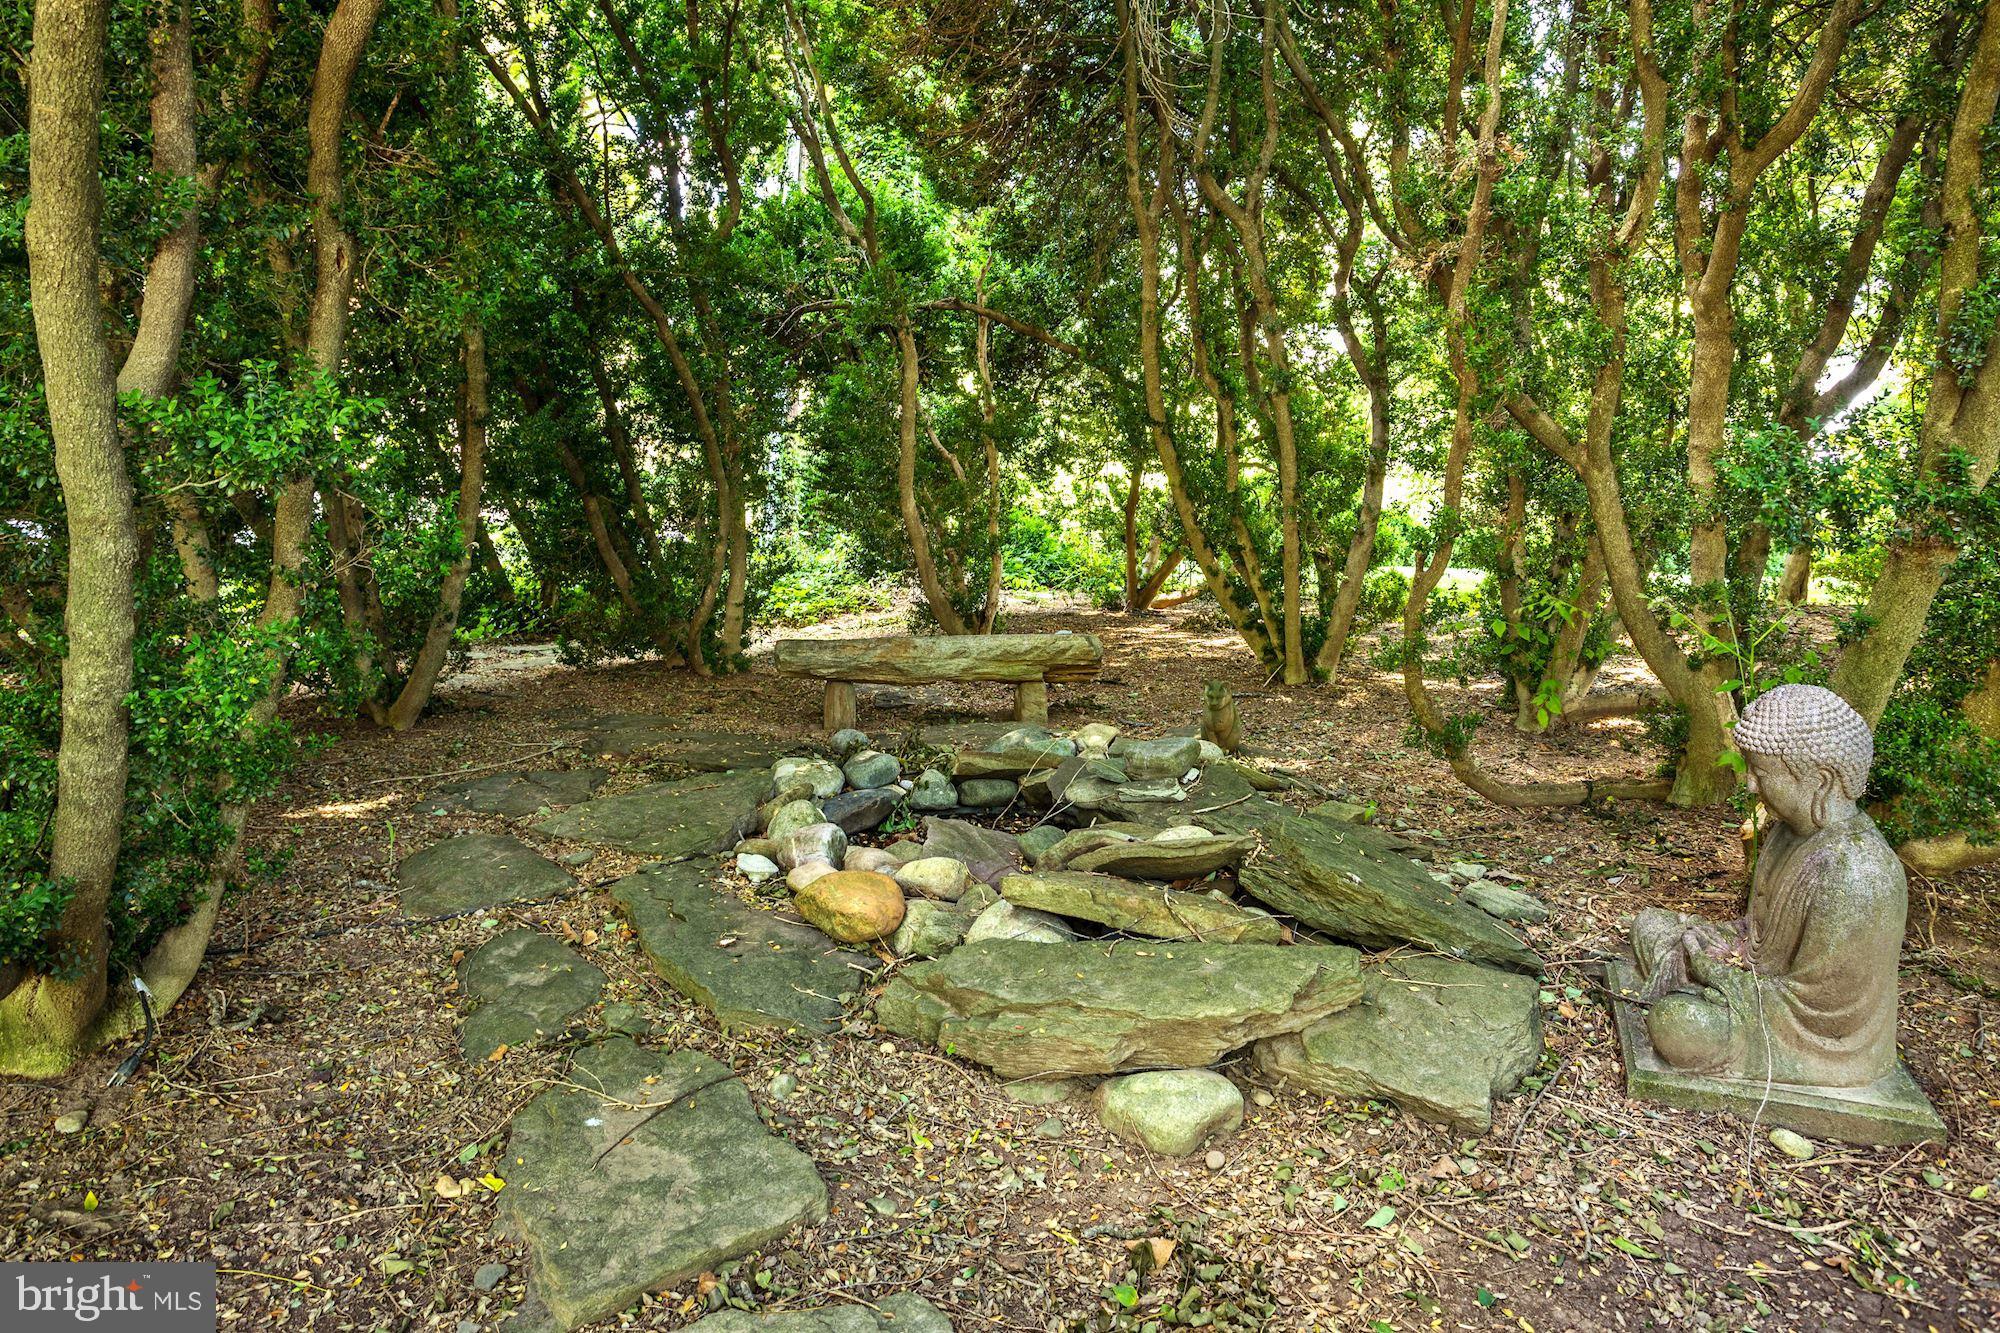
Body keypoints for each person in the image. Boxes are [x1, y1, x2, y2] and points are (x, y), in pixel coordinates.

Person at [1629, 685, 1905, 1088]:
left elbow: (1822, 1012)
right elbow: (1756, 938)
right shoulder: (1787, 833)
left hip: (1812, 1041)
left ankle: (1686, 999)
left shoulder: (1859, 874)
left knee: (1679, 1025)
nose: (1751, 786)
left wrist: (1713, 972)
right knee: (1651, 923)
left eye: (1762, 772)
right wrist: (1717, 944)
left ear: (1822, 780)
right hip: (1757, 984)